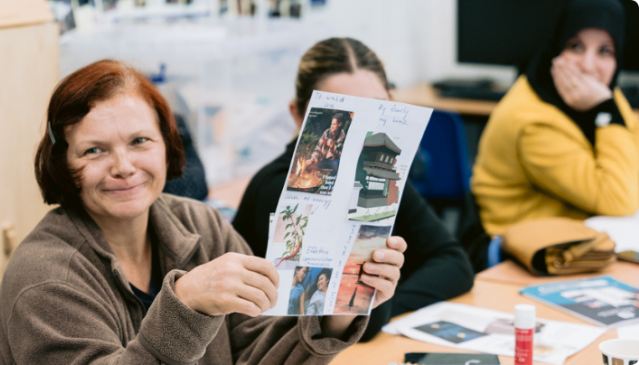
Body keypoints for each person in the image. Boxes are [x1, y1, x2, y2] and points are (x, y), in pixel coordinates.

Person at [0, 59, 408, 364]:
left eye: (139, 142)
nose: (123, 167)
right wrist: (185, 305)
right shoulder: (45, 278)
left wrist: (336, 309)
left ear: (167, 147)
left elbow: (258, 350)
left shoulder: (200, 224)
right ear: (64, 166)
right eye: (94, 150)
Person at [233, 38, 474, 342]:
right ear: (298, 115)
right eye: (343, 114)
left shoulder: (378, 173)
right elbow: (325, 321)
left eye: (378, 110)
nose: (362, 130)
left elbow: (454, 263)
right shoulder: (282, 190)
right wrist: (372, 313)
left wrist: (385, 302)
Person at [472, 0, 639, 236]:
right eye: (576, 47)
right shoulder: (533, 120)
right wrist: (606, 110)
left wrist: (606, 106)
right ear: (557, 48)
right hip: (524, 249)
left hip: (581, 230)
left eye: (605, 51)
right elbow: (618, 201)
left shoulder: (599, 92)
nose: (588, 67)